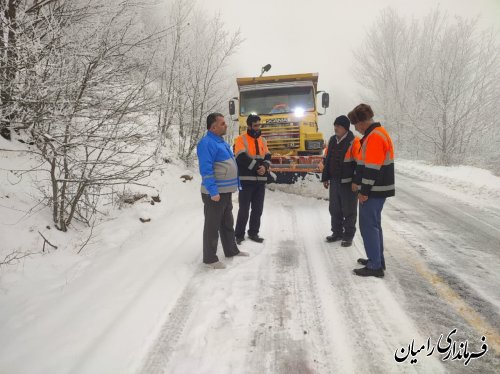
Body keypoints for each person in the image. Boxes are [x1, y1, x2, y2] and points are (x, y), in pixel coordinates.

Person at [196, 113, 249, 269]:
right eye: (223, 123)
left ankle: (231, 250)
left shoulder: (220, 142)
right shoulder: (206, 143)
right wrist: (213, 191)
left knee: (227, 223)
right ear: (213, 127)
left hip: (225, 191)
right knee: (212, 226)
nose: (226, 125)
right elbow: (206, 169)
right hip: (215, 193)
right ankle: (210, 259)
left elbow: (229, 165)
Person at [348, 104, 395, 278]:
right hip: (378, 189)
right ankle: (376, 260)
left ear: (362, 122)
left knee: (368, 227)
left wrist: (364, 190)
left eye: (356, 125)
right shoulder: (377, 133)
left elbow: (372, 168)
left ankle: (375, 266)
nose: (356, 129)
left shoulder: (374, 137)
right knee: (374, 226)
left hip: (374, 189)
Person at [321, 115, 361, 247]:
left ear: (345, 128)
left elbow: (360, 164)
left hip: (348, 183)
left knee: (349, 210)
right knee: (334, 208)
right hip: (334, 180)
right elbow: (327, 160)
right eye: (335, 125)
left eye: (338, 126)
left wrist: (356, 181)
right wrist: (325, 177)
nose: (335, 128)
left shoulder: (354, 141)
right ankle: (337, 233)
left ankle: (348, 236)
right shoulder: (332, 140)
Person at [234, 114, 271, 244]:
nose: (258, 127)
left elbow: (267, 156)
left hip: (260, 182)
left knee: (258, 209)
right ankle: (239, 235)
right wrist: (257, 167)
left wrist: (265, 167)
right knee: (244, 209)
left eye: (259, 125)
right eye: (255, 125)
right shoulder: (240, 139)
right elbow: (241, 157)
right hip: (246, 181)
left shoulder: (263, 140)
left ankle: (253, 233)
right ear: (249, 126)